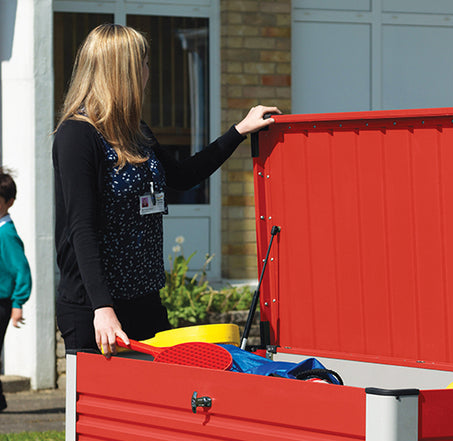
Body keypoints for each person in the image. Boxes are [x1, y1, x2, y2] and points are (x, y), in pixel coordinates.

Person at [53, 23, 280, 356]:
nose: (148, 72)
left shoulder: (137, 130)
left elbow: (183, 176)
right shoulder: (77, 135)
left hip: (144, 300)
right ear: (123, 72)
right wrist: (102, 307)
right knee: (102, 407)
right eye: (143, 64)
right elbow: (80, 228)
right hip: (97, 310)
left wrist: (239, 130)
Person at [0, 168, 32, 411]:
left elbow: (21, 269)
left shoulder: (7, 233)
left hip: (2, 302)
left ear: (9, 202)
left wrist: (17, 304)